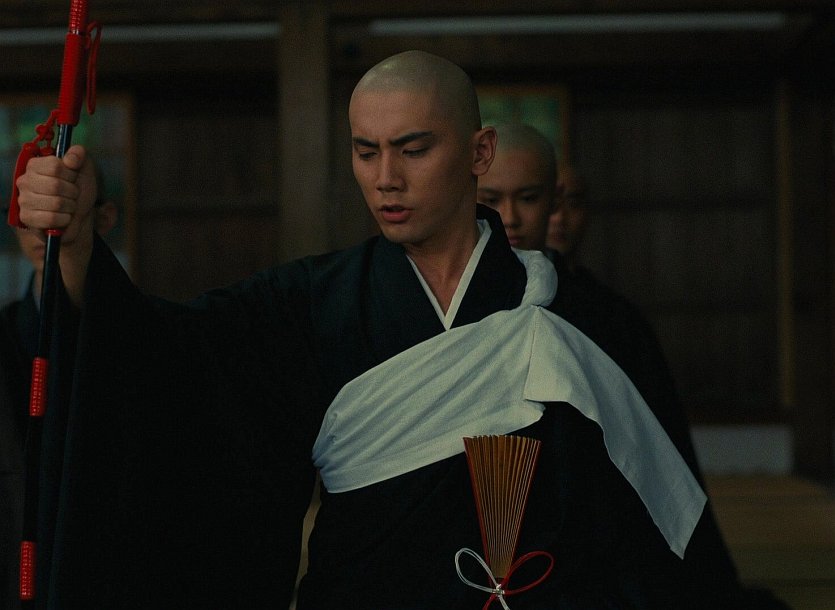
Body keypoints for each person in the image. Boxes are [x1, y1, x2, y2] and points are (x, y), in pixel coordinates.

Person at [16, 50, 716, 609]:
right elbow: (166, 357)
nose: (385, 179)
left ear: (479, 153)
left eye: (412, 149)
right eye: (365, 151)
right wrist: (77, 248)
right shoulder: (310, 302)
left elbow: (639, 513)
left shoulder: (573, 313)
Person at [478, 122, 791, 609]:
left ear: (552, 202)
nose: (511, 218)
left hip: (591, 530)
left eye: (530, 198)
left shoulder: (609, 317)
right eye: (493, 199)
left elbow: (656, 447)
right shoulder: (456, 306)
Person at [0, 186, 117, 610]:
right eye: (26, 217)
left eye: (57, 212)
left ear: (103, 218)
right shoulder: (7, 330)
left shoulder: (125, 329)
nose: (40, 231)